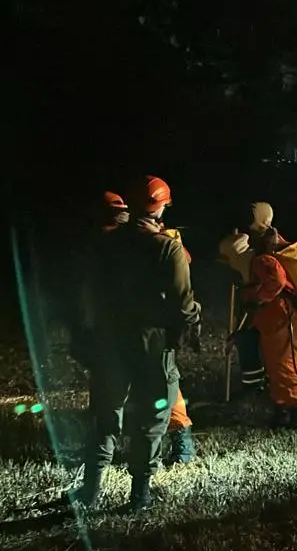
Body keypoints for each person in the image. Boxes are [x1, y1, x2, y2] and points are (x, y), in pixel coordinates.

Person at [70, 176, 201, 512]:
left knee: (104, 415)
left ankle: (89, 491)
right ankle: (139, 496)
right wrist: (191, 324)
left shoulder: (105, 242)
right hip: (152, 345)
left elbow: (87, 294)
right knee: (152, 417)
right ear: (159, 207)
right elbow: (183, 303)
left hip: (109, 341)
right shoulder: (166, 247)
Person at [243, 227, 297, 429]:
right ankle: (283, 409)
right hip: (280, 317)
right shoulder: (273, 253)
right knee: (277, 366)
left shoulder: (264, 259)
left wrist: (257, 298)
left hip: (281, 317)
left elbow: (277, 282)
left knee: (286, 365)